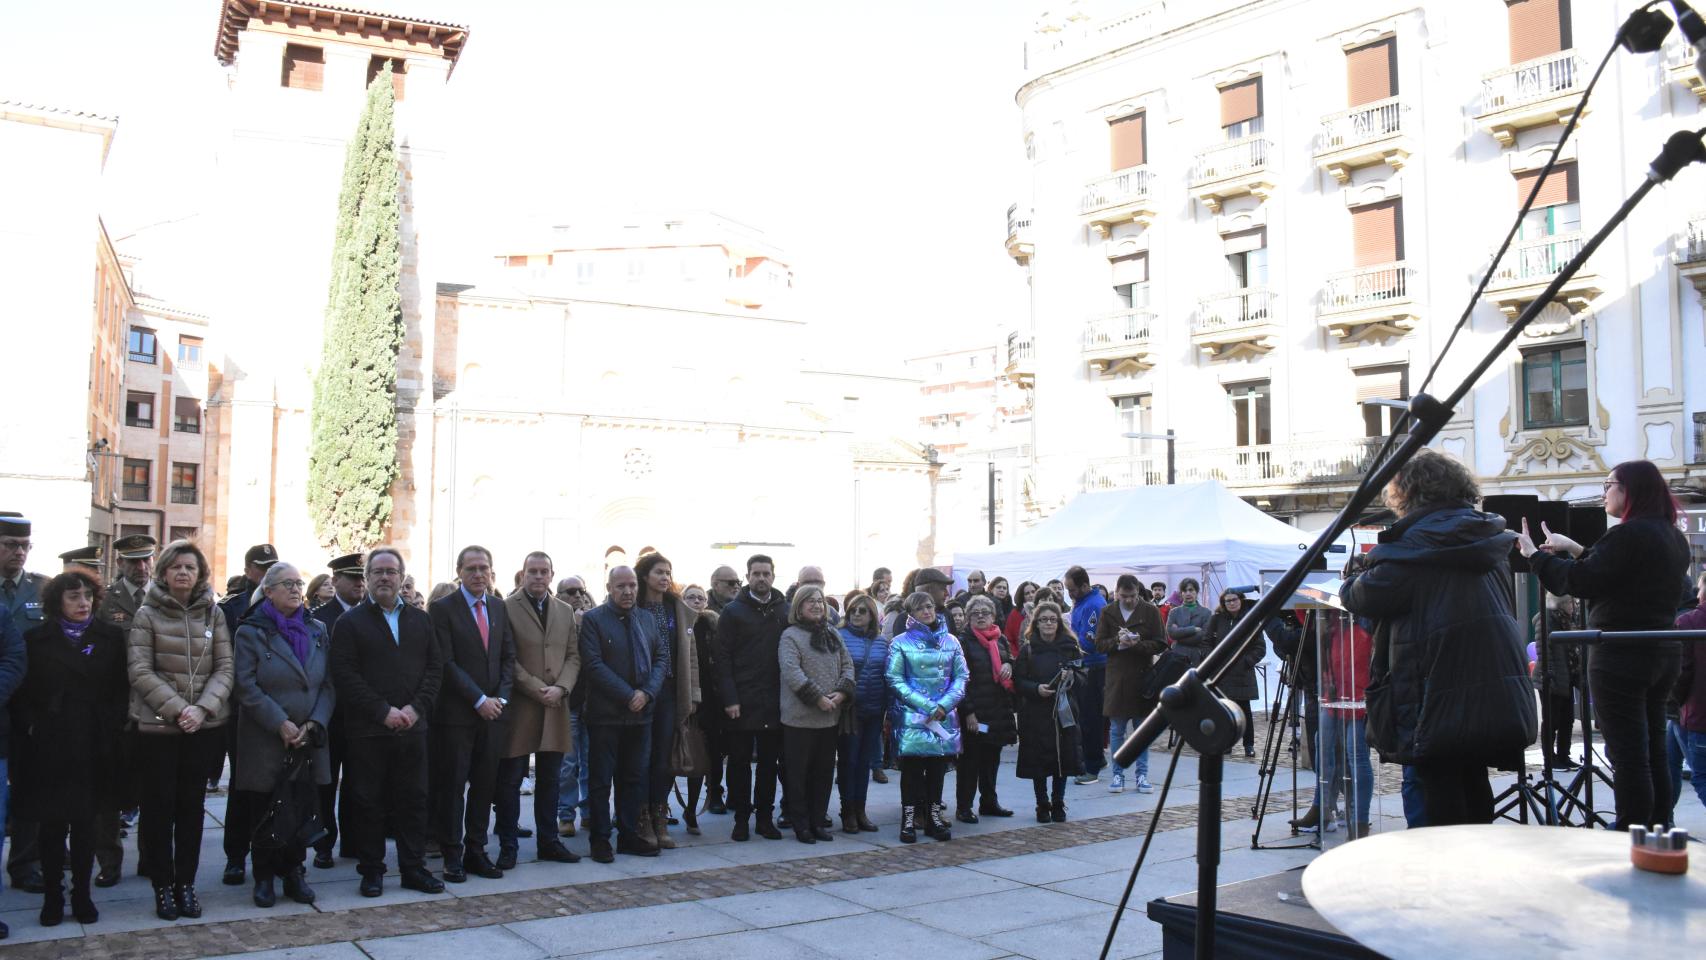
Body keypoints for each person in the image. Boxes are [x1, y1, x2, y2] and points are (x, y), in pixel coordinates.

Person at [1342, 449, 1535, 827]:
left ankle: (1441, 885)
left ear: (1406, 494)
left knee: (1433, 814)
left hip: (1433, 701)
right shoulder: (1486, 540)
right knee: (1473, 795)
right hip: (1486, 697)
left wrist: (1357, 573)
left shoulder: (1415, 547)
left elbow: (1359, 597)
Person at [1520, 459, 1691, 831]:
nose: (1603, 492)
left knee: (1628, 752)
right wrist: (1576, 548)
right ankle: (1659, 825)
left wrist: (1534, 556)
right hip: (1661, 651)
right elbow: (1620, 575)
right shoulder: (1670, 535)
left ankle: (1632, 829)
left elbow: (1582, 583)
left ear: (1630, 490)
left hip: (1620, 654)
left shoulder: (1628, 535)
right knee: (1653, 748)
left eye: (1609, 484)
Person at [127, 539, 234, 921]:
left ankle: (186, 884)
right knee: (158, 809)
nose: (184, 573)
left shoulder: (213, 614)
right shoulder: (146, 614)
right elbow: (140, 670)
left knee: (191, 808)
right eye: (176, 567)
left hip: (201, 729)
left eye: (190, 567)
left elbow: (225, 668)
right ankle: (162, 885)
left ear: (200, 573)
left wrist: (202, 709)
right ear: (164, 572)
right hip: (159, 729)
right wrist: (178, 710)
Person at [329, 548, 444, 898]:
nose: (384, 578)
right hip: (369, 731)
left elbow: (434, 669)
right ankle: (372, 870)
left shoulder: (420, 620)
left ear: (401, 577)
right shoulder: (349, 623)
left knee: (413, 801)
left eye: (390, 572)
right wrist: (383, 711)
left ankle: (413, 868)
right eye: (377, 572)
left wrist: (414, 709)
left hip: (413, 728)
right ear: (366, 579)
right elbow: (345, 675)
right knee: (369, 803)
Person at [12, 571, 123, 928]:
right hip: (50, 747)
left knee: (86, 824)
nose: (83, 603)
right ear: (57, 601)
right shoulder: (36, 639)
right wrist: (34, 725)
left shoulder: (109, 637)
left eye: (88, 595)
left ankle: (82, 893)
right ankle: (54, 895)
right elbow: (23, 693)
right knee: (52, 825)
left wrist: (109, 725)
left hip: (93, 744)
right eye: (74, 596)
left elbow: (121, 690)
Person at [231, 562, 334, 907]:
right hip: (267, 738)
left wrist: (314, 723)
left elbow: (328, 685)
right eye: (286, 583)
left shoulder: (317, 628)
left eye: (298, 582)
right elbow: (245, 685)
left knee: (302, 806)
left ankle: (294, 873)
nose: (294, 589)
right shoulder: (251, 631)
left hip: (307, 738)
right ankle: (263, 877)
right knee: (265, 808)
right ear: (269, 591)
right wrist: (280, 723)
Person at [429, 545, 515, 882]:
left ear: (492, 572)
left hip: (494, 715)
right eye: (471, 569)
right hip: (457, 715)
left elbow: (508, 657)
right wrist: (479, 699)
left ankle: (477, 850)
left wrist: (501, 700)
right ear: (459, 572)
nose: (478, 574)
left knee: (484, 785)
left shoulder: (498, 607)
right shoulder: (442, 609)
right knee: (453, 787)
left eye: (484, 568)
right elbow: (445, 662)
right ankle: (452, 854)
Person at [496, 551, 582, 865]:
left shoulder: (563, 610)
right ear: (523, 573)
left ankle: (549, 841)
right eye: (532, 571)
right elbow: (507, 657)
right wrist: (536, 688)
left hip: (556, 705)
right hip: (522, 706)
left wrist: (561, 687)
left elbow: (574, 655)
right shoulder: (506, 608)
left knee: (551, 779)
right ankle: (508, 846)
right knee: (511, 780)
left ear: (551, 575)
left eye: (544, 571)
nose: (538, 576)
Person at [578, 566, 669, 862]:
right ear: (609, 587)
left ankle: (629, 835)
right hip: (606, 715)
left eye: (632, 585)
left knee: (634, 778)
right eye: (621, 586)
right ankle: (601, 839)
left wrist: (647, 693)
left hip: (641, 714)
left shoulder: (646, 618)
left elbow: (661, 658)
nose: (628, 591)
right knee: (601, 780)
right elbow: (593, 665)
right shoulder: (594, 620)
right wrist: (627, 694)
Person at [92, 533, 154, 888]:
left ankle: (150, 857)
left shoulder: (162, 599)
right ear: (120, 564)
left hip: (153, 707)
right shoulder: (106, 601)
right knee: (108, 794)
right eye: (133, 561)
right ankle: (109, 861)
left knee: (153, 790)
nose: (141, 567)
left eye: (146, 559)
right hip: (114, 710)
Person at [714, 554, 789, 841]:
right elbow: (722, 658)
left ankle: (765, 818)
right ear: (747, 577)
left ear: (773, 575)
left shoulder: (785, 610)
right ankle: (742, 818)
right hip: (741, 702)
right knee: (739, 764)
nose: (761, 578)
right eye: (755, 573)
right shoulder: (733, 612)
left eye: (766, 573)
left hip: (775, 701)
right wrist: (730, 698)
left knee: (770, 764)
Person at [886, 591, 967, 843]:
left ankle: (933, 818)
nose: (927, 612)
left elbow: (961, 677)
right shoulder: (900, 642)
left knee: (936, 771)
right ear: (911, 613)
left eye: (930, 607)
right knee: (911, 772)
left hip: (942, 717)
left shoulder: (952, 641)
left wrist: (944, 705)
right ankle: (908, 821)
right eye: (921, 608)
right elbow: (894, 678)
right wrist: (926, 705)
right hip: (914, 718)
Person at [778, 586, 854, 844]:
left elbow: (847, 665)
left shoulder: (833, 633)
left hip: (829, 718)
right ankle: (801, 825)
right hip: (799, 719)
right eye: (809, 601)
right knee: (798, 775)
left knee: (823, 774)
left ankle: (817, 821)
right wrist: (817, 698)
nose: (816, 605)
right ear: (798, 607)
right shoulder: (790, 636)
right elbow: (792, 672)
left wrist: (842, 693)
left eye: (820, 601)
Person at [633, 552, 700, 850]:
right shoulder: (633, 606)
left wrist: (694, 694)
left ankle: (660, 815)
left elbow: (691, 655)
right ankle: (641, 816)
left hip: (671, 691)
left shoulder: (677, 609)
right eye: (659, 572)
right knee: (640, 757)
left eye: (668, 572)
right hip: (639, 692)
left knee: (663, 758)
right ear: (645, 575)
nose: (665, 577)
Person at [1, 513, 49, 897]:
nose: (19, 553)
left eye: (24, 546)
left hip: (30, 706)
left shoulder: (41, 589)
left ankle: (25, 863)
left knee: (31, 787)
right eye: (10, 545)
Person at [307, 553, 364, 868]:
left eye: (361, 578)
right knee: (325, 783)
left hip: (363, 715)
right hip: (330, 715)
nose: (359, 584)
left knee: (360, 783)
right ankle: (324, 843)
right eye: (352, 578)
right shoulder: (318, 618)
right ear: (335, 581)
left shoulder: (372, 614)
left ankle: (353, 842)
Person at [1015, 600, 1085, 822]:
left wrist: (1071, 678)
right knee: (1038, 760)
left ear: (1059, 623)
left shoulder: (1071, 648)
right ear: (1036, 623)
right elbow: (1018, 680)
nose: (1048, 624)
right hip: (1036, 713)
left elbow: (1084, 677)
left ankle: (1058, 802)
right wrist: (1036, 689)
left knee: (1062, 759)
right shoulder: (1028, 650)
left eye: (1052, 620)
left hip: (1063, 712)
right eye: (1043, 619)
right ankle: (1041, 803)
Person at [1095, 574, 1165, 795]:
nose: (1128, 600)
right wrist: (1117, 641)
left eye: (1132, 596)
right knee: (1117, 730)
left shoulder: (1150, 611)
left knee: (1140, 730)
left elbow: (1160, 643)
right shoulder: (1108, 612)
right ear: (1116, 593)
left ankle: (1141, 775)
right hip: (1117, 678)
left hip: (1142, 677)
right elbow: (1099, 644)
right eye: (1123, 596)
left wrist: (1137, 644)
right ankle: (1118, 773)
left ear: (1138, 592)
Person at [955, 595, 1015, 823]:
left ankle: (989, 802)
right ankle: (964, 806)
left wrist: (1009, 663)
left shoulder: (1000, 640)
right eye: (975, 613)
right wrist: (968, 711)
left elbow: (1009, 660)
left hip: (997, 710)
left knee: (991, 759)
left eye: (985, 612)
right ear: (968, 618)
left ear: (993, 616)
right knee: (970, 761)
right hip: (975, 712)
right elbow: (959, 681)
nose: (980, 616)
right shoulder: (963, 642)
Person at [1313, 614, 1375, 838]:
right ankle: (1321, 807)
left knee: (1357, 757)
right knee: (1322, 748)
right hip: (1334, 696)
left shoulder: (1365, 624)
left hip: (1359, 699)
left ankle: (1359, 820)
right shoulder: (1333, 625)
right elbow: (1303, 611)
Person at [835, 593, 888, 834]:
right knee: (849, 761)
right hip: (850, 709)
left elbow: (887, 674)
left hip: (875, 708)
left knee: (865, 762)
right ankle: (848, 811)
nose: (857, 614)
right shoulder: (839, 636)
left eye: (862, 610)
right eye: (853, 610)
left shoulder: (881, 641)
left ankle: (860, 810)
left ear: (871, 615)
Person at [681, 584, 727, 827]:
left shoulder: (713, 626)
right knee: (679, 754)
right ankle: (664, 807)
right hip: (684, 699)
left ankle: (696, 806)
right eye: (691, 597)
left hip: (711, 701)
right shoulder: (678, 626)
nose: (696, 601)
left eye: (700, 598)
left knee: (706, 754)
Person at [1206, 590, 1265, 758]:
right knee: (1224, 710)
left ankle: (1249, 744)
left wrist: (1246, 661)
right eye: (1227, 601)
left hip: (1242, 674)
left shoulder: (1250, 620)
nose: (1231, 603)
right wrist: (1214, 659)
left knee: (1245, 710)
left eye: (1234, 600)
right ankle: (1227, 743)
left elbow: (1260, 648)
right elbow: (1206, 642)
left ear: (1241, 600)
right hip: (1221, 674)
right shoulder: (1216, 619)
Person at [1064, 566, 1107, 785]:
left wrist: (1067, 643)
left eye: (1072, 590)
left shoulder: (1094, 605)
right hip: (1085, 665)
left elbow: (1088, 641)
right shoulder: (1081, 603)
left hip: (1093, 667)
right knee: (1086, 717)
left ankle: (1092, 765)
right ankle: (1096, 758)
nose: (1069, 594)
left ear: (1084, 585)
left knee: (1091, 719)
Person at [1532, 597, 1582, 769]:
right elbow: (1544, 650)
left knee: (1567, 719)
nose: (1573, 607)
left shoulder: (1571, 621)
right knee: (1552, 720)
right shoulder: (1546, 619)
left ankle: (1563, 755)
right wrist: (1551, 675)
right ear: (1561, 604)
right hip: (1551, 678)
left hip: (1567, 676)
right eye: (1570, 603)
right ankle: (1549, 758)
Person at [1673, 572, 1706, 818]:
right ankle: (1662, 820)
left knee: (1702, 777)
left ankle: (1661, 820)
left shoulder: (1689, 622)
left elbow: (1682, 673)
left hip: (1696, 715)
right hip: (1689, 713)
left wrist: (1674, 701)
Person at [1165, 579, 1211, 664]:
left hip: (1197, 657)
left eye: (1191, 590)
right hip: (1177, 656)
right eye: (1184, 591)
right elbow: (1171, 634)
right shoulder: (1174, 612)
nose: (1188, 593)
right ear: (1181, 593)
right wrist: (1193, 629)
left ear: (1196, 592)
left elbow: (1203, 636)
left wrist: (1178, 636)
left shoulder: (1206, 612)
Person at [1005, 581, 1038, 650]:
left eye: (1033, 592)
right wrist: (1017, 656)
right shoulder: (1015, 614)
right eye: (1027, 593)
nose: (1031, 595)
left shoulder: (1044, 610)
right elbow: (1009, 639)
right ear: (1022, 596)